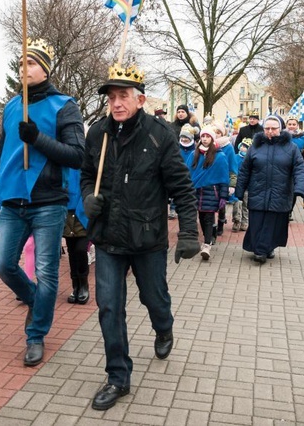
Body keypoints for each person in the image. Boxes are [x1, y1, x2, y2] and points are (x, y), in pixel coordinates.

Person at [81, 64, 200, 411]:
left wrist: (190, 231)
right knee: (108, 307)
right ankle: (118, 376)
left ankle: (163, 326)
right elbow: (87, 175)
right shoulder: (97, 134)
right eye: (111, 97)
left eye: (123, 96)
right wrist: (88, 196)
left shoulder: (159, 134)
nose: (116, 103)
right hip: (108, 236)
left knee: (154, 297)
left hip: (147, 237)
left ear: (140, 99)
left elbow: (181, 186)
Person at [0, 38, 85, 367]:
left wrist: (37, 139)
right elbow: (1, 155)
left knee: (47, 272)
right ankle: (35, 302)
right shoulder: (12, 106)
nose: (22, 68)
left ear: (46, 67)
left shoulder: (64, 105)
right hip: (13, 202)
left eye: (30, 62)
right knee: (2, 264)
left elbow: (77, 155)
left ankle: (36, 335)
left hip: (48, 203)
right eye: (20, 62)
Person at [235, 115, 304, 263]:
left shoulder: (291, 148)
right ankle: (262, 248)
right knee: (257, 222)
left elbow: (299, 169)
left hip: (280, 192)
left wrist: (300, 188)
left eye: (274, 128)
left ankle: (262, 250)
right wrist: (239, 190)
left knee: (272, 223)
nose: (270, 131)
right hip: (258, 191)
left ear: (280, 129)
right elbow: (245, 170)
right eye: (267, 128)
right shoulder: (255, 146)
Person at [186, 125, 229, 260]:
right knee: (202, 218)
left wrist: (223, 196)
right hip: (196, 191)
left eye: (207, 136)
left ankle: (206, 244)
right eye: (203, 136)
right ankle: (207, 238)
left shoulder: (219, 156)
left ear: (212, 138)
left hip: (212, 191)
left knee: (209, 218)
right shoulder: (194, 154)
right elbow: (187, 173)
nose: (204, 139)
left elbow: (223, 177)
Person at [64, 168, 90, 304]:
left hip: (83, 211)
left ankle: (84, 284)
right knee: (72, 251)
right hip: (66, 211)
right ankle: (76, 286)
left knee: (80, 249)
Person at [169, 123, 198, 220]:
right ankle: (173, 209)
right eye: (183, 137)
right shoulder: (176, 148)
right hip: (178, 174)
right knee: (176, 192)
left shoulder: (195, 150)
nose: (184, 139)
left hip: (191, 175)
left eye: (187, 137)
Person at [286, 116, 304, 221]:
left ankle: (289, 212)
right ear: (286, 125)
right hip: (284, 166)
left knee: (293, 190)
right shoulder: (282, 136)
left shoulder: (303, 137)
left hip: (297, 166)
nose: (291, 126)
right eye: (290, 124)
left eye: (294, 124)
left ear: (297, 125)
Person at [231, 139, 250, 231]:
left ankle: (245, 221)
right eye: (242, 146)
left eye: (246, 147)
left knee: (245, 204)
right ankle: (236, 220)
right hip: (237, 184)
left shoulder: (250, 159)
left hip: (246, 185)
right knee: (236, 203)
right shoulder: (235, 157)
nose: (243, 148)